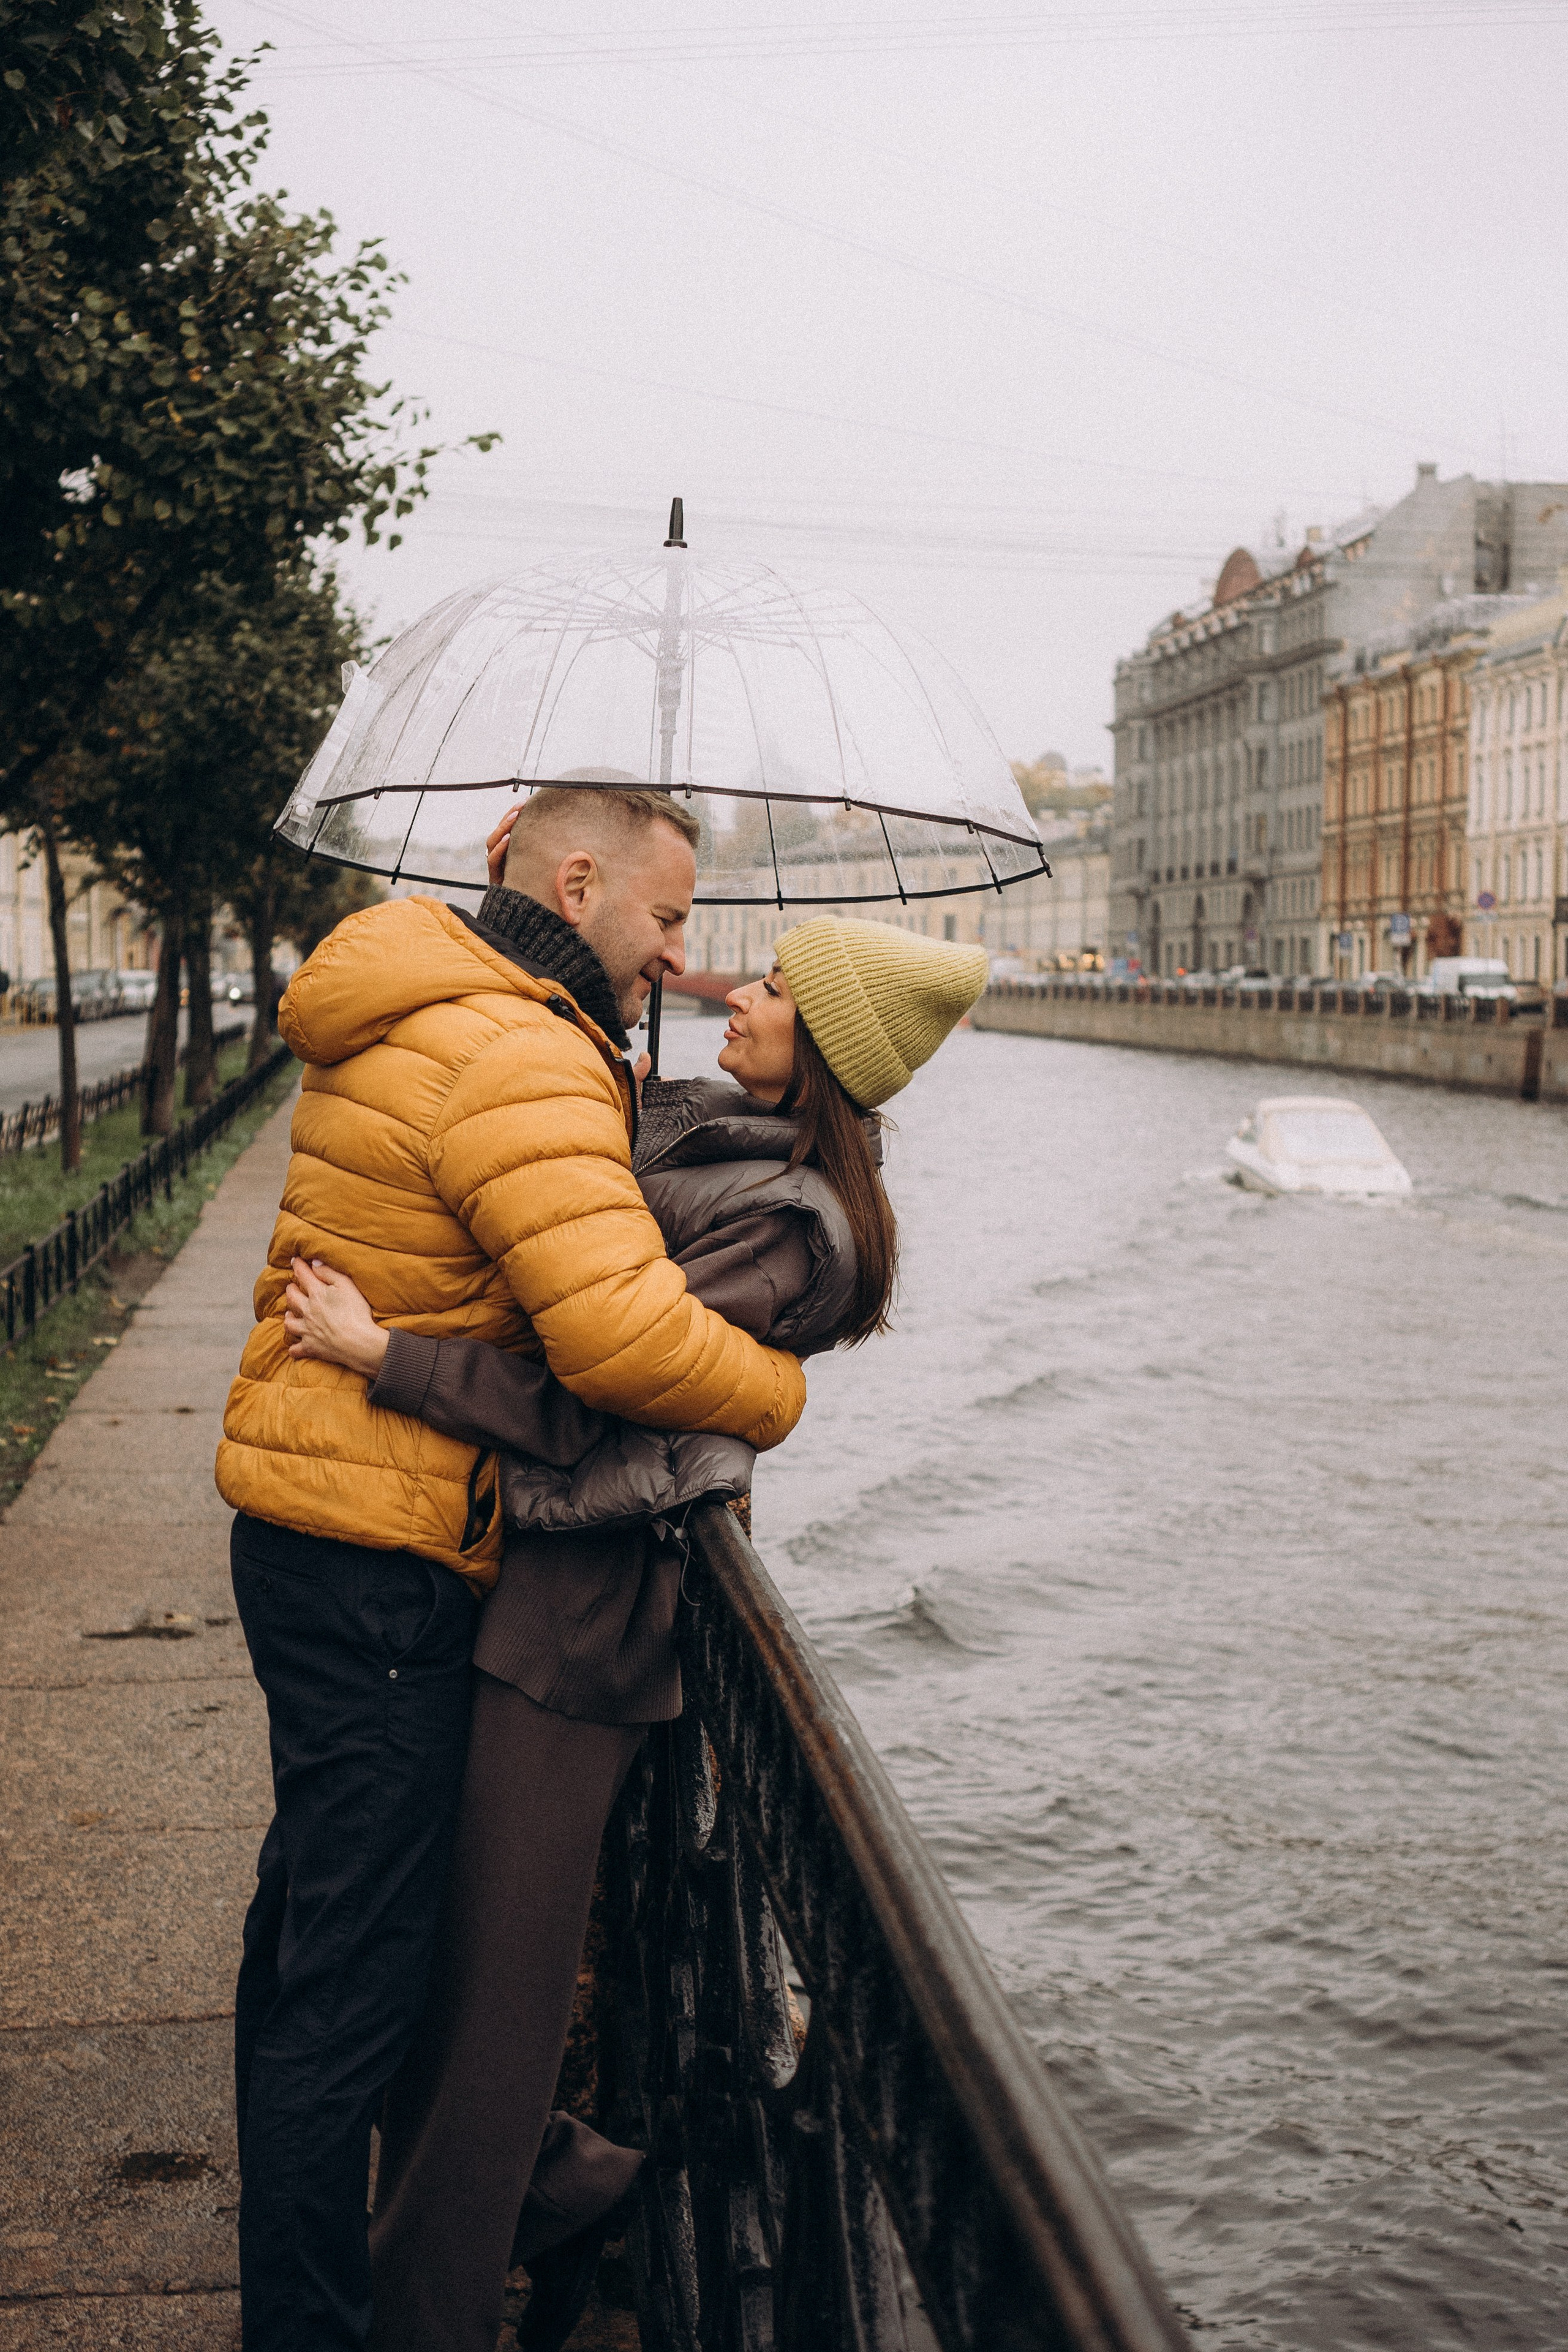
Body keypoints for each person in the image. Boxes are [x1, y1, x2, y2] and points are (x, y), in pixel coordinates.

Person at [281, 905, 989, 2352]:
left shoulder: (794, 1230)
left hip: (587, 1623)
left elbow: (590, 1395)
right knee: (445, 1962)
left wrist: (385, 1355)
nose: (735, 989)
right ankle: (563, 2181)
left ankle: (431, 2311)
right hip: (514, 1573)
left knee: (486, 2009)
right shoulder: (708, 1139)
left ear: (832, 1048)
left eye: (778, 989)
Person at [215, 786, 811, 2352]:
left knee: (303, 1943)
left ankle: (311, 2286)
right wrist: (778, 1395)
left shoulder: (410, 988)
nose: (681, 957)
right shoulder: (523, 1048)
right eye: (669, 919)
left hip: (299, 1506)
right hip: (386, 1541)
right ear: (575, 881)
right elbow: (613, 1335)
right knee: (353, 1988)